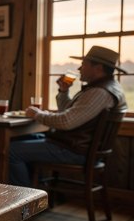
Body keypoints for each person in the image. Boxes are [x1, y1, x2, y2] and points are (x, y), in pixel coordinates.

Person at [8, 45, 128, 186]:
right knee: (22, 139)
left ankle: (27, 198)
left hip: (75, 151)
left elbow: (66, 122)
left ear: (98, 68)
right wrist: (63, 91)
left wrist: (37, 114)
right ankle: (37, 188)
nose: (79, 68)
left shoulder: (99, 92)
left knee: (11, 151)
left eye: (84, 64)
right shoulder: (105, 87)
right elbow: (69, 113)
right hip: (73, 145)